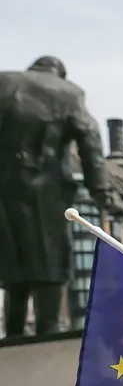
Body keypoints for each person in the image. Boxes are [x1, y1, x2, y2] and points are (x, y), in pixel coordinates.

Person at [0, 55, 108, 337]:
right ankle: (47, 332)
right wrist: (100, 189)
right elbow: (89, 138)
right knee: (50, 259)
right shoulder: (68, 92)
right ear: (59, 72)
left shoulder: (3, 82)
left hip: (4, 188)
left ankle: (13, 332)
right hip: (46, 188)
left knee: (13, 263)